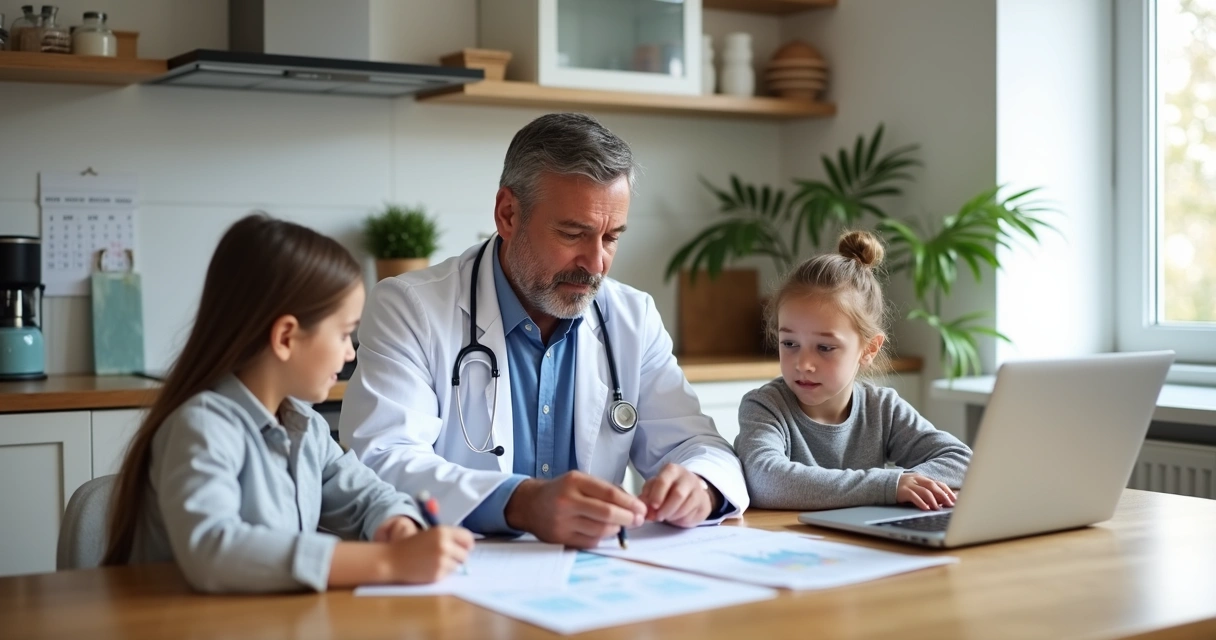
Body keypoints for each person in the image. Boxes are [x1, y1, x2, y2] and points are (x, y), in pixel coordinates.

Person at [340, 113, 749, 548]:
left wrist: (699, 486)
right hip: (461, 569)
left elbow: (701, 447)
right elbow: (381, 460)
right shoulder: (410, 307)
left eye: (611, 238)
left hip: (599, 574)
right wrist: (520, 503)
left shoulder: (633, 317)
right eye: (573, 234)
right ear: (508, 214)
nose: (596, 264)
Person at [102, 214, 474, 593]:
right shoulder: (202, 426)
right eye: (344, 335)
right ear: (285, 337)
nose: (350, 354)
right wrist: (389, 561)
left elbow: (368, 495)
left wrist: (397, 524)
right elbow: (213, 549)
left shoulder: (306, 427)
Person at [734, 231, 972, 511]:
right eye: (789, 343)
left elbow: (963, 462)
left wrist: (903, 484)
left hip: (862, 537)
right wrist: (887, 486)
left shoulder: (882, 409)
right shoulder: (764, 407)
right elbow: (766, 481)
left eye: (825, 347)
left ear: (869, 349)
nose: (803, 364)